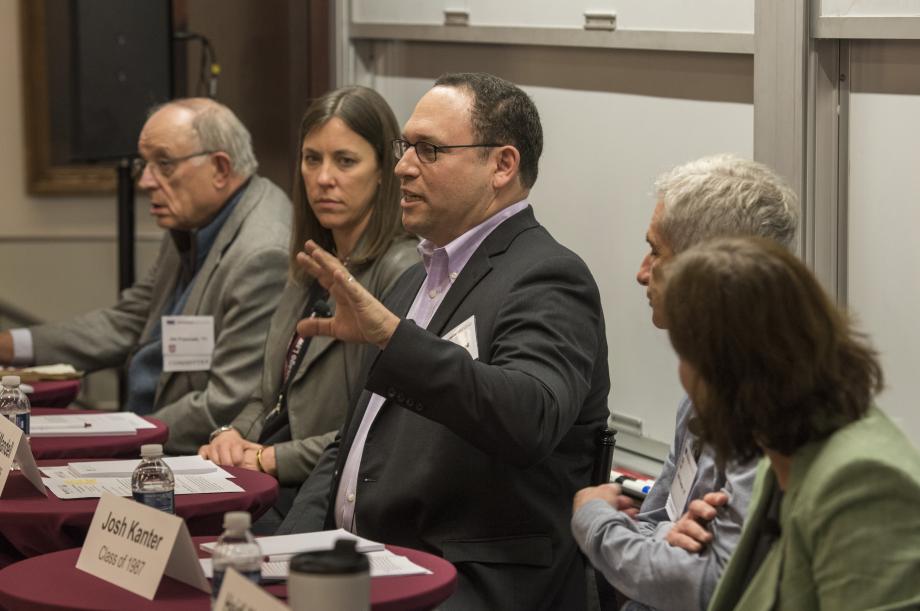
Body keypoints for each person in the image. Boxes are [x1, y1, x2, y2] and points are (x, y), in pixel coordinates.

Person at [277, 72, 609, 611]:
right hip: (368, 565)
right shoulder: (418, 278)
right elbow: (351, 443)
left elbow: (529, 416)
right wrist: (287, 553)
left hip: (470, 583)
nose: (404, 167)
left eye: (428, 150)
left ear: (502, 165)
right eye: (405, 147)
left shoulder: (547, 276)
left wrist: (391, 336)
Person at [571, 155, 799, 611]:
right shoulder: (703, 392)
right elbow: (658, 526)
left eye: (655, 251)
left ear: (706, 267)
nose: (641, 272)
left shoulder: (773, 418)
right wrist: (657, 548)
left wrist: (592, 517)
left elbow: (705, 585)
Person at [0, 98, 290, 454]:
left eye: (164, 164)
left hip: (183, 454)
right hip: (144, 427)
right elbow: (129, 320)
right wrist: (11, 345)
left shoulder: (262, 254)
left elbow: (225, 403)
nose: (145, 181)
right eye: (145, 163)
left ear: (219, 168)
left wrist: (116, 438)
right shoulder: (195, 220)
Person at [197, 86, 419, 526]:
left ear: (383, 172)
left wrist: (269, 457)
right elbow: (267, 397)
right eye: (312, 159)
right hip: (265, 472)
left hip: (320, 487)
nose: (323, 178)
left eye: (346, 161)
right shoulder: (311, 260)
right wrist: (230, 435)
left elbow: (374, 432)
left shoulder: (402, 268)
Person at [662, 236, 920, 610]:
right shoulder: (783, 456)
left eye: (685, 355)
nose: (682, 375)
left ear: (730, 370)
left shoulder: (860, 479)